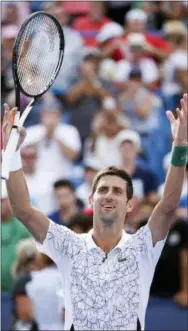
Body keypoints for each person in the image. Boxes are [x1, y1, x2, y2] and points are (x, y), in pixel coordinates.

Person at [2, 93, 188, 330]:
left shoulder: (142, 246)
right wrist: (12, 153)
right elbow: (23, 210)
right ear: (91, 200)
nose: (109, 195)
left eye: (118, 192)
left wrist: (180, 148)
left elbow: (168, 206)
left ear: (130, 205)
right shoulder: (68, 245)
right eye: (103, 190)